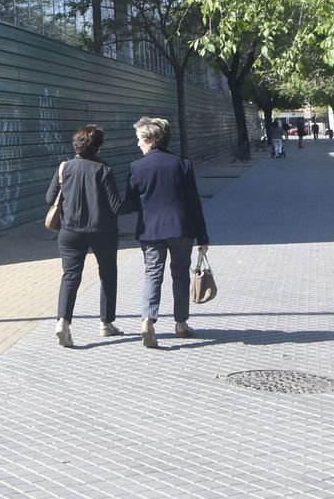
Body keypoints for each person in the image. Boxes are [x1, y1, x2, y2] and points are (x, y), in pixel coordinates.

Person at [126, 116, 210, 347]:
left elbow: (131, 203)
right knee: (180, 274)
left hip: (150, 230)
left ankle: (148, 321)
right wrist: (203, 236)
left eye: (140, 139)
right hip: (181, 228)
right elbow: (194, 203)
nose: (138, 144)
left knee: (153, 274)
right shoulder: (182, 164)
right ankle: (181, 323)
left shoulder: (136, 167)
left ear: (151, 139)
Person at [44, 124, 126, 348]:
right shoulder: (104, 169)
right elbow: (116, 206)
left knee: (70, 276)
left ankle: (63, 321)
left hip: (70, 232)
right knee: (108, 275)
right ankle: (106, 324)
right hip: (103, 232)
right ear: (98, 147)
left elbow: (49, 197)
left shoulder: (64, 167)